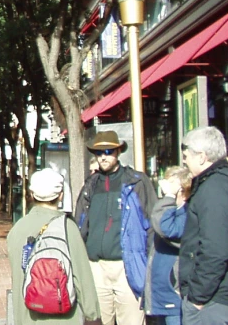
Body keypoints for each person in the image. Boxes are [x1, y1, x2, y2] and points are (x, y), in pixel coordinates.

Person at [74, 130, 157, 325]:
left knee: (132, 320)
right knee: (97, 321)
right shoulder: (90, 185)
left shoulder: (137, 181)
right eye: (98, 152)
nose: (103, 156)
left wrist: (148, 262)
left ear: (118, 151)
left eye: (109, 151)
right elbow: (80, 223)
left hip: (128, 264)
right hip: (96, 267)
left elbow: (152, 223)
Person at [7, 168, 101, 324]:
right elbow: (83, 279)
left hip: (27, 318)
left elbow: (18, 280)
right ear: (61, 195)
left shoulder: (16, 230)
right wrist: (93, 315)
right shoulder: (67, 228)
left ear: (31, 195)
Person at [179, 126, 228, 325]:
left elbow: (216, 249)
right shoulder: (225, 182)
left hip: (216, 299)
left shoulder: (215, 188)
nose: (184, 161)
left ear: (202, 157)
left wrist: (197, 297)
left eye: (186, 156)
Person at [144, 165, 191, 325]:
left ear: (183, 191)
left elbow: (167, 228)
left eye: (171, 185)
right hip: (160, 296)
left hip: (174, 297)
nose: (165, 191)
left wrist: (169, 197)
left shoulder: (186, 213)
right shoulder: (172, 210)